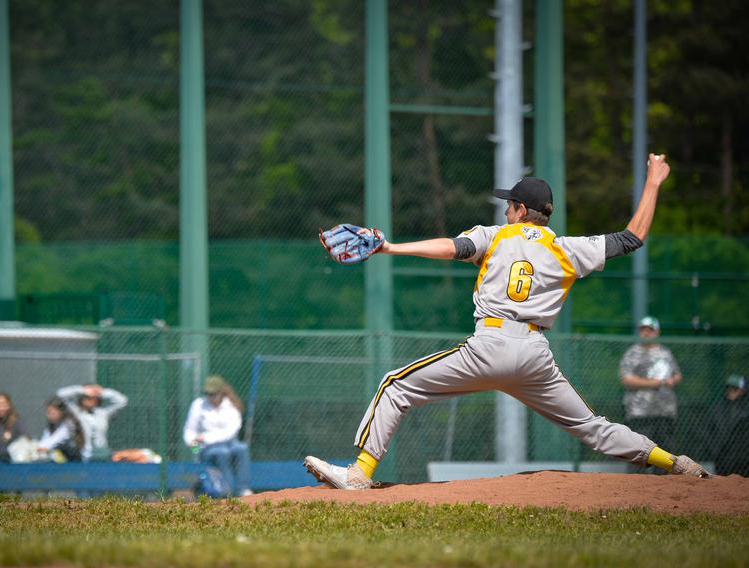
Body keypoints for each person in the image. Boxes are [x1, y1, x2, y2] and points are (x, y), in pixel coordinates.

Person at [305, 153, 710, 490]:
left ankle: (361, 474)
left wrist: (390, 247)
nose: (505, 209)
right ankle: (676, 463)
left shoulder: (496, 235)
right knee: (593, 427)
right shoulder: (568, 248)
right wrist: (654, 180)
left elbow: (452, 247)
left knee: (395, 387)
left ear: (519, 210)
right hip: (535, 356)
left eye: (509, 204)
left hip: (490, 346)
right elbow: (631, 237)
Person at [619, 316, 682, 472]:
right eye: (643, 329)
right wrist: (657, 383)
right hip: (640, 413)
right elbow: (626, 379)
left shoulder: (665, 353)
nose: (646, 333)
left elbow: (677, 374)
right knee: (639, 453)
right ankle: (636, 488)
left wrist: (673, 380)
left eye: (650, 329)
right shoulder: (632, 353)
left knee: (666, 455)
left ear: (657, 331)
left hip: (665, 412)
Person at [183, 375, 252, 497]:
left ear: (221, 393)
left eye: (213, 394)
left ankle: (243, 489)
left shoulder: (232, 406)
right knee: (222, 452)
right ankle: (228, 492)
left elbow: (230, 432)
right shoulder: (198, 405)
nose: (210, 397)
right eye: (208, 394)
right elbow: (189, 431)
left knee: (242, 448)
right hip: (206, 449)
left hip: (230, 443)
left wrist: (205, 438)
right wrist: (194, 446)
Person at [57, 383, 128, 461]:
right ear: (81, 398)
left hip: (101, 453)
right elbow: (60, 394)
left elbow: (122, 401)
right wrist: (83, 390)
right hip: (81, 455)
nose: (91, 399)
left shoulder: (103, 413)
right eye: (87, 397)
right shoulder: (76, 412)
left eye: (94, 397)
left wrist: (101, 392)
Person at [708, 374, 749, 476]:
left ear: (742, 390)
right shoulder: (717, 408)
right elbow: (708, 431)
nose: (730, 391)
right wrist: (714, 451)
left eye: (734, 388)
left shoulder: (746, 409)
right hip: (722, 459)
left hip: (744, 461)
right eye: (728, 388)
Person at [38, 397, 84, 463]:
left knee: (55, 452)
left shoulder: (69, 424)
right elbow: (45, 440)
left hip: (74, 460)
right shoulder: (51, 425)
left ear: (61, 412)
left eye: (52, 413)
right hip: (59, 458)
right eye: (48, 413)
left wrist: (42, 448)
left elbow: (55, 440)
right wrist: (39, 447)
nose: (49, 416)